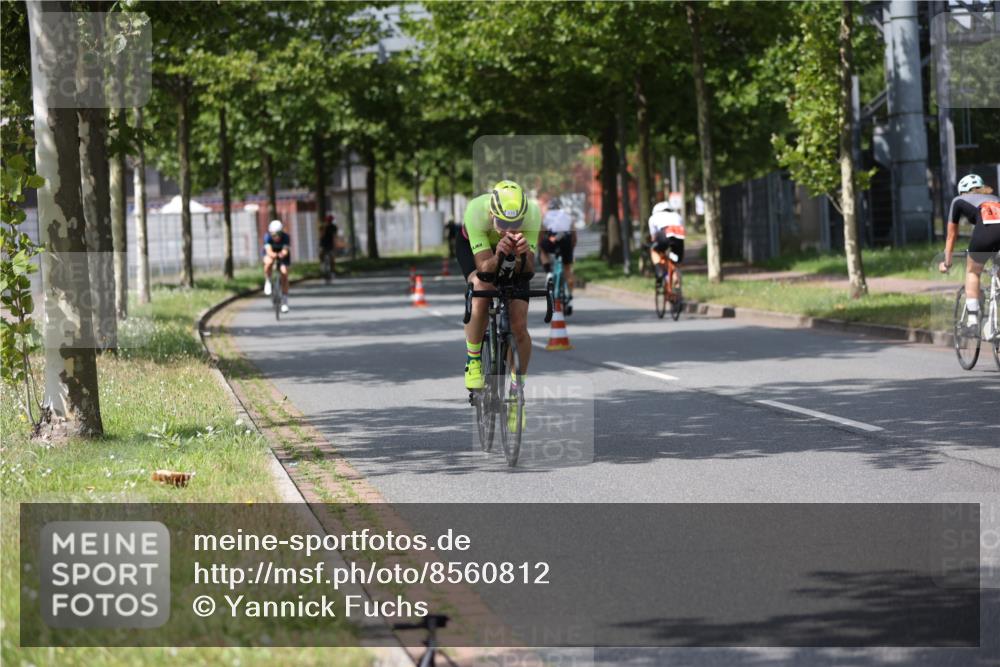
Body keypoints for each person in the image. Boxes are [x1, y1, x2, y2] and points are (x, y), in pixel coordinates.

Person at [458, 180, 541, 424]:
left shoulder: (533, 215)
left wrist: (523, 255)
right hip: (478, 250)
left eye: (516, 224)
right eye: (503, 223)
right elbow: (484, 270)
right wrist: (498, 255)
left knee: (519, 323)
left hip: (512, 257)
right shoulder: (476, 211)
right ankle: (473, 360)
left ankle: (517, 394)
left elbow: (528, 272)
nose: (510, 229)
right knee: (482, 287)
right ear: (492, 214)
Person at [938, 173, 1000, 332]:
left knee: (973, 271)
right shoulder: (995, 198)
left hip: (986, 236)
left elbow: (951, 235)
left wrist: (947, 262)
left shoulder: (958, 200)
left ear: (962, 191)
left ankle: (973, 322)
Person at [538, 197, 577, 308]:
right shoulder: (567, 216)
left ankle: (549, 273)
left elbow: (541, 232)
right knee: (567, 269)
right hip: (566, 241)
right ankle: (569, 297)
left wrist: (540, 244)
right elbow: (574, 236)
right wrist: (571, 250)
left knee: (543, 250)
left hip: (551, 240)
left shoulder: (545, 216)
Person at [647, 198, 686, 291]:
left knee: (654, 250)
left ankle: (659, 271)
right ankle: (676, 280)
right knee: (676, 261)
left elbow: (653, 237)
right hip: (679, 238)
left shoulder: (653, 218)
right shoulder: (677, 215)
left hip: (664, 235)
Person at [263, 219, 291, 313]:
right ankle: (268, 280)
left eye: (278, 234)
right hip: (271, 254)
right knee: (268, 263)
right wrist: (273, 255)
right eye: (273, 234)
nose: (276, 236)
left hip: (282, 256)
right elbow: (268, 250)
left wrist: (281, 254)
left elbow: (285, 250)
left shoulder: (286, 237)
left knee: (284, 273)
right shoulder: (267, 237)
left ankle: (285, 300)